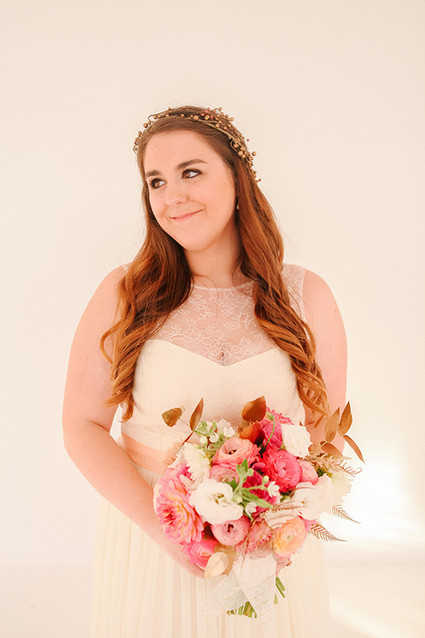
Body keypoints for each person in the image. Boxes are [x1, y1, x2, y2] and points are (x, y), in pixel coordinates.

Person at [63, 105, 347, 638]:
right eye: (156, 181)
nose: (172, 196)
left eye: (190, 172)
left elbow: (324, 429)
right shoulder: (126, 293)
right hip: (155, 539)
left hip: (269, 542)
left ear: (238, 179)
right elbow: (82, 426)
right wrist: (165, 532)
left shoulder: (306, 295)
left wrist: (279, 515)